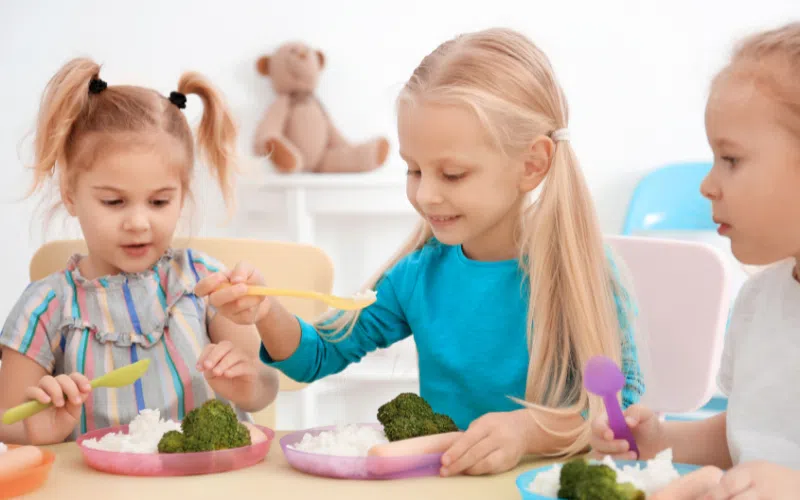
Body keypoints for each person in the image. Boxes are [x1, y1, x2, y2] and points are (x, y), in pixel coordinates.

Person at [197, 28, 645, 476]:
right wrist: (265, 311)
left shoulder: (581, 274)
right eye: (413, 170)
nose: (425, 195)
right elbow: (317, 356)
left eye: (452, 174)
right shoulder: (416, 276)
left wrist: (527, 431)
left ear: (532, 164)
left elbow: (619, 414)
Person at [0, 58, 279, 445]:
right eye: (114, 202)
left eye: (159, 202)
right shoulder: (46, 308)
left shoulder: (205, 283)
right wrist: (37, 429)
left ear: (182, 196)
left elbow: (264, 387)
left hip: (206, 474)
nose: (138, 222)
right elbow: (6, 420)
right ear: (70, 194)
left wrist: (247, 383)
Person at [590, 22, 800, 499]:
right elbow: (749, 432)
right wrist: (660, 442)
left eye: (731, 159)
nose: (707, 185)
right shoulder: (759, 302)